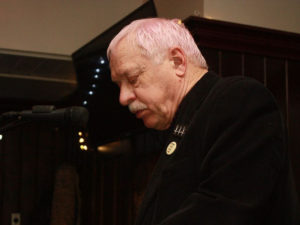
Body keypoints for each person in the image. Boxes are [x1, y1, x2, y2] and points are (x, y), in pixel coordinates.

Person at [107, 18, 300, 225]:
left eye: (133, 78)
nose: (123, 97)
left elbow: (223, 211)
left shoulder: (240, 99)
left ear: (177, 62)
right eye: (119, 85)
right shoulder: (182, 123)